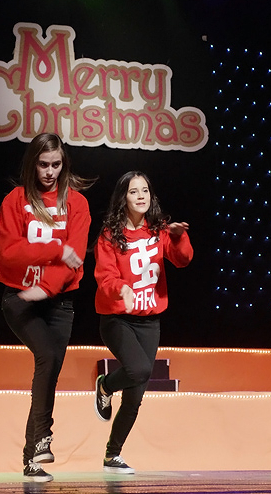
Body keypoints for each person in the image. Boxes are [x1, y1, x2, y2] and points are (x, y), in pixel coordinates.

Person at [0, 133, 93, 482]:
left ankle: (32, 457)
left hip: (59, 301)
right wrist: (54, 250)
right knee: (47, 357)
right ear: (32, 164)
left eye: (56, 164)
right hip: (19, 298)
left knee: (48, 371)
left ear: (64, 164)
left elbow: (75, 259)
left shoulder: (77, 203)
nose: (50, 172)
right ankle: (43, 437)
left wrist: (47, 287)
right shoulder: (15, 200)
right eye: (43, 164)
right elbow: (10, 252)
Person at [92, 171, 193, 474]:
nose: (141, 196)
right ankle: (105, 385)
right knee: (139, 370)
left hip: (149, 320)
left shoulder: (159, 230)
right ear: (123, 197)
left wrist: (178, 236)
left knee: (135, 397)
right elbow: (105, 276)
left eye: (145, 190)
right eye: (134, 191)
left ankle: (112, 455)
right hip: (117, 318)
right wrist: (121, 289)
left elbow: (183, 260)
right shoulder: (110, 234)